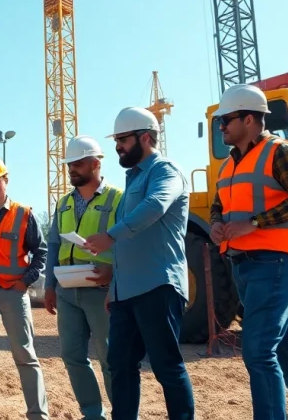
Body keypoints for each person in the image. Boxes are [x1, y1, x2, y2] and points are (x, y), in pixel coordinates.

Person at [209, 83, 288, 420]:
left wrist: (255, 223)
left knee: (258, 351)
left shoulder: (279, 151)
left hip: (278, 262)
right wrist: (216, 224)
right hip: (246, 265)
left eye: (225, 120)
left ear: (249, 119)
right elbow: (218, 206)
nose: (221, 127)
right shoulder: (228, 165)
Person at [83, 107, 195, 420]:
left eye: (122, 139)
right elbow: (129, 244)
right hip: (126, 292)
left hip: (158, 285)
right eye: (116, 140)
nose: (117, 146)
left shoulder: (165, 171)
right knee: (120, 365)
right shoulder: (133, 179)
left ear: (145, 138)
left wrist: (110, 235)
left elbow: (156, 205)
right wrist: (115, 288)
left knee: (166, 366)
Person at [43, 135, 119, 420]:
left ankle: (123, 413)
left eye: (77, 163)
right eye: (69, 164)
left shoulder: (117, 199)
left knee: (111, 357)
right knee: (72, 356)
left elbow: (128, 241)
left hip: (102, 289)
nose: (71, 169)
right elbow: (53, 244)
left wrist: (115, 273)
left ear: (96, 164)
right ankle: (92, 414)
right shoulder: (63, 203)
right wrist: (49, 285)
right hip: (67, 290)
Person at [0, 156, 49, 420]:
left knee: (25, 355)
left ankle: (38, 415)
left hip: (14, 293)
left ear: (6, 180)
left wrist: (26, 281)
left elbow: (41, 251)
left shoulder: (23, 214)